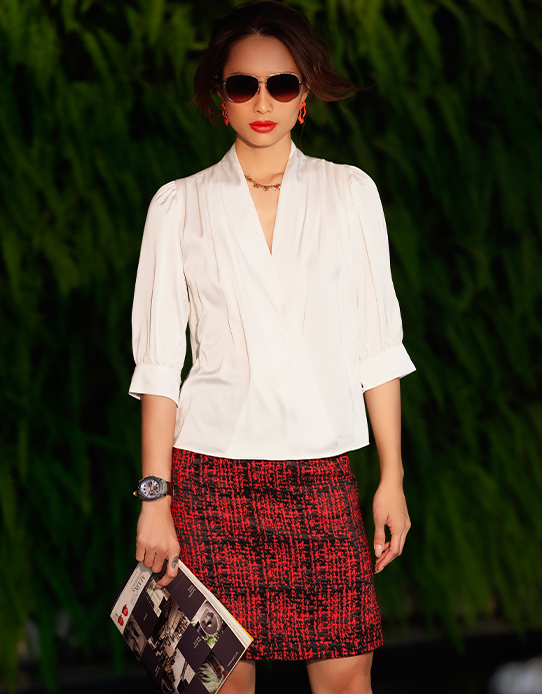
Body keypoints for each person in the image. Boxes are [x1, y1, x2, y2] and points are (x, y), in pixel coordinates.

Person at [129, 2, 415, 693]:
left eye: (281, 84)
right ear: (219, 97)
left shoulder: (349, 193)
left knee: (347, 677)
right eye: (243, 85)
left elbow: (377, 346)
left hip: (321, 474)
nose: (263, 102)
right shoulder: (179, 205)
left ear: (304, 93)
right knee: (218, 682)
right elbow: (160, 368)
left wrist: (393, 477)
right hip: (210, 479)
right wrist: (154, 499)